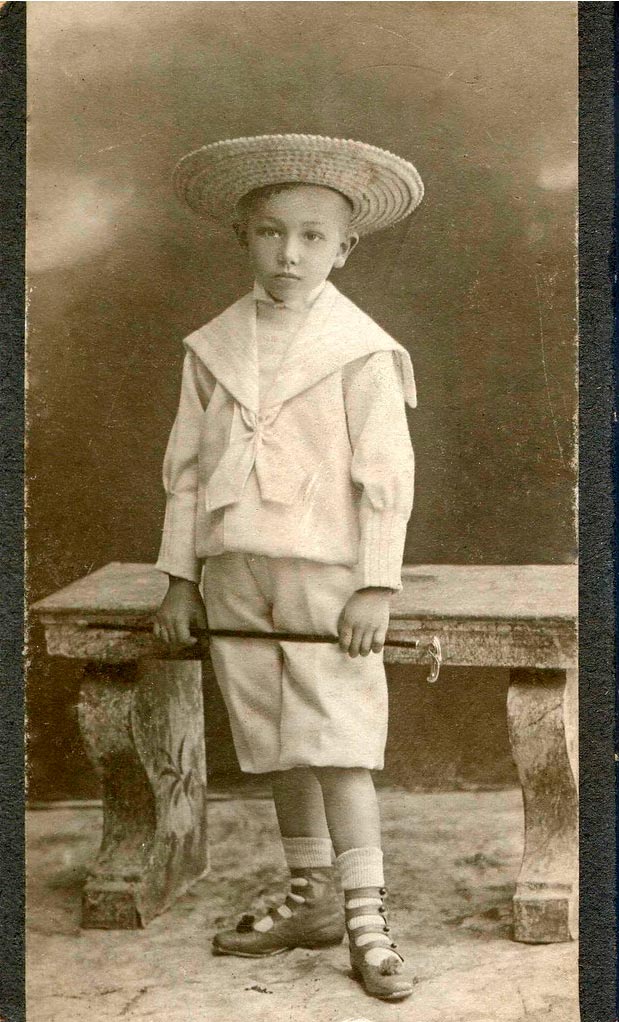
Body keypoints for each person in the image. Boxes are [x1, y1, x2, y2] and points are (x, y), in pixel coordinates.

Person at [154, 134, 423, 1001]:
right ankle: (310, 894)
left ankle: (364, 911)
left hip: (325, 576)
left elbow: (385, 474)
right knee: (275, 742)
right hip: (236, 570)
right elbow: (188, 471)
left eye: (312, 237)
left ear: (344, 249)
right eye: (270, 233)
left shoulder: (360, 350)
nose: (290, 253)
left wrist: (375, 582)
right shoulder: (215, 346)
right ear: (243, 237)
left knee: (339, 743)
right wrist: (180, 578)